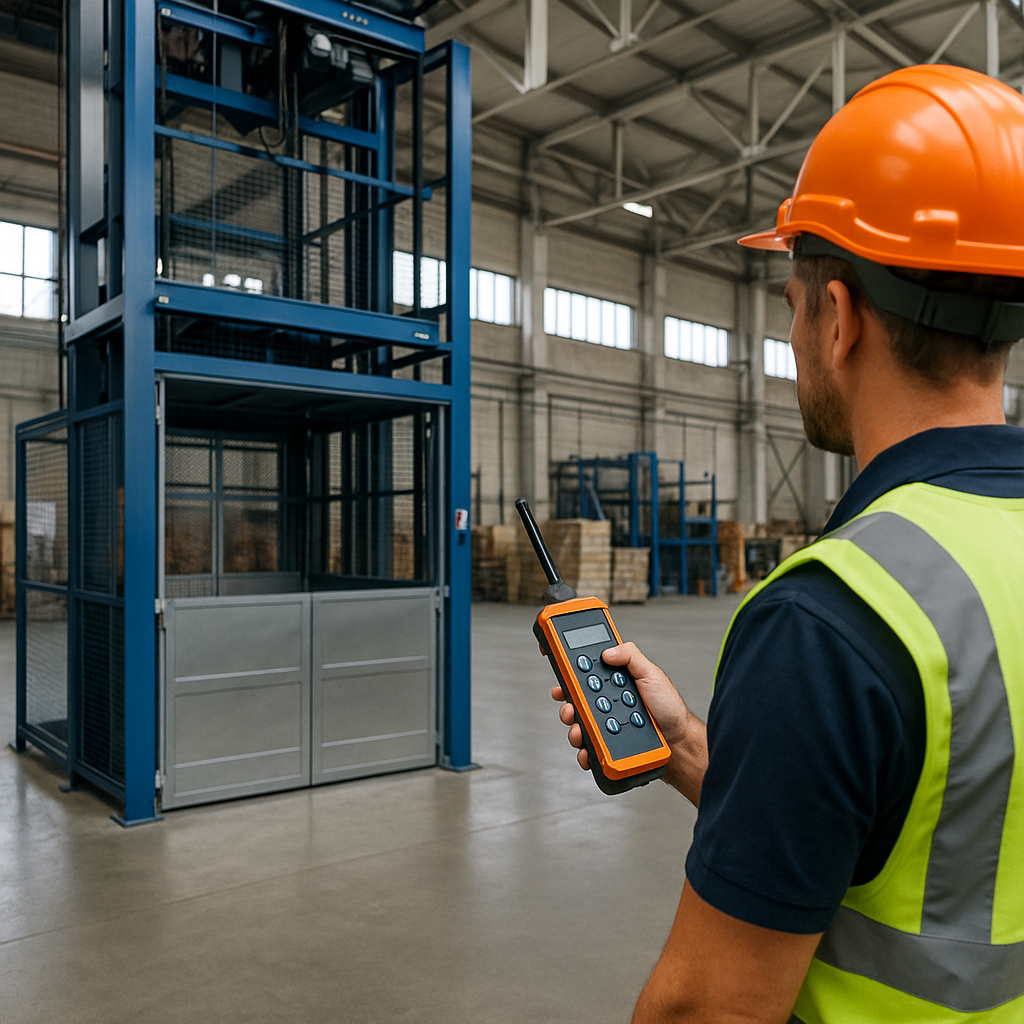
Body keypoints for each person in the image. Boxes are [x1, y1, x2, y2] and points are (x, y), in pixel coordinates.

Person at [554, 64, 1024, 1023]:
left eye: (792, 304)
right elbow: (946, 823)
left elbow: (707, 1009)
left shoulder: (834, 621)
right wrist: (692, 748)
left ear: (839, 316)